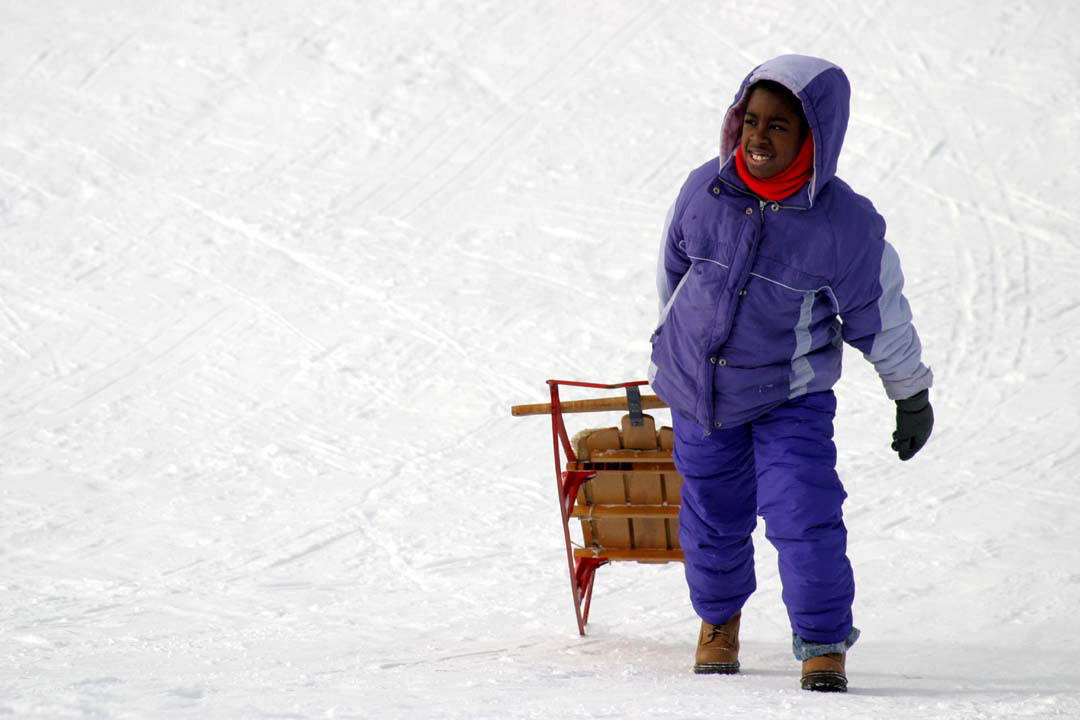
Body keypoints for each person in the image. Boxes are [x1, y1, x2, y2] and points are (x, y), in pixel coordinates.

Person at [647, 54, 934, 692]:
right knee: (711, 517)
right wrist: (668, 346)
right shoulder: (707, 189)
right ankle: (718, 621)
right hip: (700, 393)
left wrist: (909, 393)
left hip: (788, 396)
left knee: (804, 513)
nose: (757, 136)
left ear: (815, 135)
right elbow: (674, 276)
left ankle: (823, 641)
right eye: (750, 119)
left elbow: (881, 316)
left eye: (778, 125)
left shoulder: (845, 227)